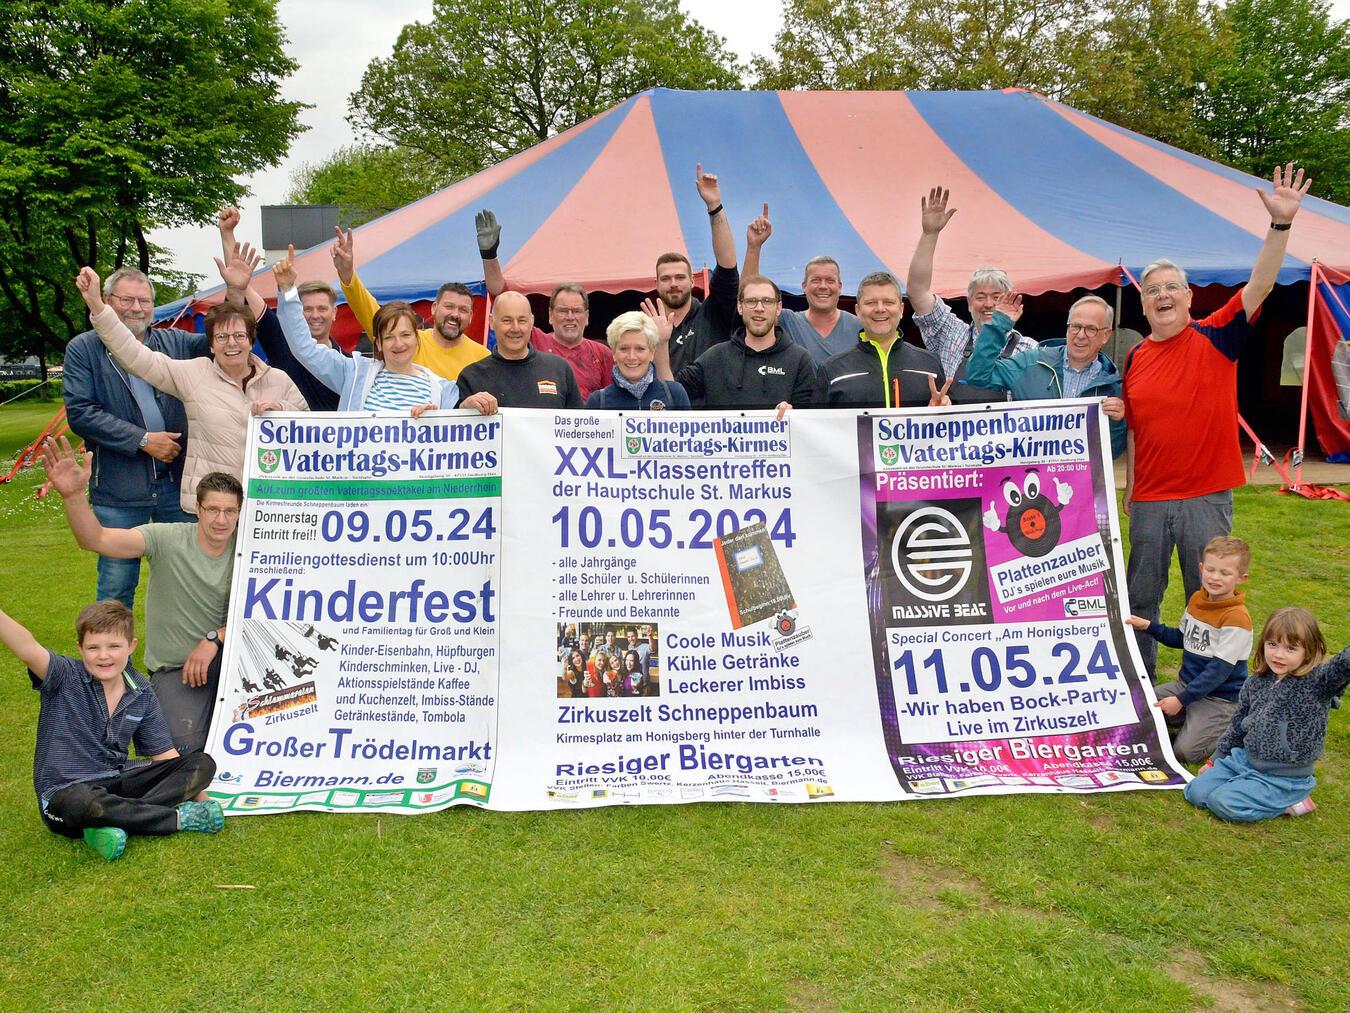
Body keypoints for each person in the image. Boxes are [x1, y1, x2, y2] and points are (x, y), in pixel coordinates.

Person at [1123, 164, 1312, 676]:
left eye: (1171, 288)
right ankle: (1139, 686)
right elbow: (1139, 427)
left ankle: (1199, 692)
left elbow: (1261, 283)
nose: (1161, 295)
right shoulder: (1136, 358)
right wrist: (1132, 486)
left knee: (1206, 599)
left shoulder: (1216, 334)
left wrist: (1280, 226)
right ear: (1143, 303)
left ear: (1188, 296)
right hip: (1150, 500)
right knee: (1140, 597)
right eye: (1151, 290)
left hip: (1205, 495)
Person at [45, 437, 239, 754]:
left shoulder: (250, 551)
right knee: (180, 749)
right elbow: (96, 539)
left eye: (230, 511)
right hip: (179, 669)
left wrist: (216, 637)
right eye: (213, 509)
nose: (221, 520)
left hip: (234, 661)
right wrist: (73, 495)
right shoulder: (167, 538)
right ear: (196, 508)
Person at [0, 598, 224, 861]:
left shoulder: (141, 690)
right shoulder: (64, 675)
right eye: (93, 647)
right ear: (80, 649)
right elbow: (26, 647)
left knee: (201, 764)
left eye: (114, 646)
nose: (103, 656)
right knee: (84, 803)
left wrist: (204, 800)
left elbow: (165, 757)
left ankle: (107, 825)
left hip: (115, 782)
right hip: (66, 793)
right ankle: (174, 819)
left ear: (131, 646)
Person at [74, 266, 307, 514]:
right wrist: (97, 306)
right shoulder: (192, 374)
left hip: (266, 502)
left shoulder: (278, 379)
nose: (231, 343)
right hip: (211, 507)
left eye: (239, 335)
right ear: (210, 344)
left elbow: (311, 427)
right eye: (222, 337)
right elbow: (135, 355)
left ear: (251, 340)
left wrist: (280, 410)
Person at [62, 265, 207, 606]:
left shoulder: (175, 343)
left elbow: (226, 336)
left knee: (188, 581)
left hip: (177, 484)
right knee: (116, 587)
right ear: (107, 301)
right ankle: (113, 659)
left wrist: (235, 289)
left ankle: (184, 658)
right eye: (127, 299)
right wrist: (144, 440)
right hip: (119, 489)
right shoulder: (84, 349)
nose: (137, 308)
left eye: (145, 300)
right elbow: (81, 412)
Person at [274, 248, 486, 415]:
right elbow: (305, 348)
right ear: (378, 343)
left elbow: (463, 421)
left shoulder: (443, 390)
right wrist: (288, 291)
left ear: (417, 338)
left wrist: (459, 409)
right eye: (389, 337)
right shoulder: (354, 373)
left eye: (405, 335)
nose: (398, 344)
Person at [1184, 607, 1349, 822]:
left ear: (1308, 651)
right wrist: (1217, 759)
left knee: (1222, 803)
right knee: (1195, 792)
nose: (1279, 655)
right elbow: (1237, 725)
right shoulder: (1256, 682)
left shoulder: (1318, 683)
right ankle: (1245, 786)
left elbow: (1343, 666)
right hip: (1244, 760)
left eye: (1291, 648)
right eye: (1272, 644)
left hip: (1282, 777)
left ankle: (1291, 801)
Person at [218, 209, 369, 411]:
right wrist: (227, 234)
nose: (315, 315)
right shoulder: (282, 340)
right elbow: (240, 282)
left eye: (322, 308)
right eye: (307, 309)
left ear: (334, 313)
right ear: (295, 310)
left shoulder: (347, 364)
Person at [1125, 536, 1253, 762]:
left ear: (1241, 578)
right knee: (1134, 707)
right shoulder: (1197, 599)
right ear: (1201, 568)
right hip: (1186, 686)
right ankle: (1187, 719)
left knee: (1184, 752)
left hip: (1219, 699)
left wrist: (1181, 700)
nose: (1215, 577)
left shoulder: (1237, 618)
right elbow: (1182, 638)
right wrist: (1148, 626)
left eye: (1225, 573)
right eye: (1211, 570)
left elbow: (1218, 672)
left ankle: (1233, 725)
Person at [905, 186, 1038, 403]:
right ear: (968, 303)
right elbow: (917, 291)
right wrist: (930, 234)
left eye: (997, 297)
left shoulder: (1028, 349)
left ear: (1012, 303)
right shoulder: (951, 334)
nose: (988, 304)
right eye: (980, 296)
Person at [965, 292, 1127, 457]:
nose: (1080, 335)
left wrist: (1116, 423)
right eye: (1076, 326)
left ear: (1106, 335)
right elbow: (977, 375)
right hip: (1029, 476)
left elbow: (1111, 454)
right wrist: (999, 326)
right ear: (1067, 328)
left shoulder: (1112, 386)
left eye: (1091, 329)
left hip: (1078, 480)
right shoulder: (1031, 362)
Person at [477, 209, 615, 400]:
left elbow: (612, 403)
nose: (570, 317)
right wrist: (489, 255)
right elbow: (503, 297)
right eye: (562, 310)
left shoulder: (603, 354)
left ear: (587, 316)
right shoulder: (536, 340)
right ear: (550, 315)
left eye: (576, 311)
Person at [332, 225, 489, 381]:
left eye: (463, 309)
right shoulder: (409, 342)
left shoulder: (482, 358)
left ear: (471, 316)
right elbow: (368, 310)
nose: (454, 314)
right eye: (449, 306)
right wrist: (347, 273)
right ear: (434, 308)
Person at [653, 275, 816, 411]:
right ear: (740, 307)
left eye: (767, 301)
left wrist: (794, 415)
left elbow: (812, 422)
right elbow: (671, 396)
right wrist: (661, 343)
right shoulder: (715, 357)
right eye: (751, 301)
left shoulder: (800, 359)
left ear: (778, 307)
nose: (759, 308)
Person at [742, 204, 862, 363]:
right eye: (816, 280)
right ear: (804, 286)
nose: (823, 286)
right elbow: (748, 295)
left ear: (840, 287)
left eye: (830, 281)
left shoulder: (859, 327)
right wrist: (754, 247)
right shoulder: (788, 321)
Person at [815, 271, 952, 408]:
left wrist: (942, 414)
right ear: (858, 310)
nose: (880, 309)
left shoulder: (930, 364)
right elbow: (815, 426)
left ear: (901, 309)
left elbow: (950, 423)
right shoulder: (832, 370)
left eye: (888, 302)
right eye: (870, 303)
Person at [659, 164, 742, 376]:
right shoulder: (646, 326)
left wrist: (714, 206)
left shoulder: (712, 314)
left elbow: (727, 267)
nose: (674, 284)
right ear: (656, 284)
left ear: (692, 281)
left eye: (679, 277)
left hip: (714, 409)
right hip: (665, 408)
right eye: (666, 278)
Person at [455, 292, 581, 409]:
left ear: (531, 322)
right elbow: (453, 428)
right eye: (507, 321)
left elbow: (579, 426)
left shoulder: (559, 369)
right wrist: (464, 410)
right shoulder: (471, 376)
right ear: (492, 322)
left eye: (522, 321)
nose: (515, 328)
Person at [586, 312, 690, 410]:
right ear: (613, 353)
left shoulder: (675, 394)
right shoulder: (598, 401)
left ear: (652, 353)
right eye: (624, 349)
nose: (632, 357)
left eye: (640, 349)